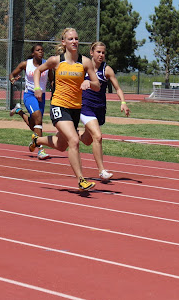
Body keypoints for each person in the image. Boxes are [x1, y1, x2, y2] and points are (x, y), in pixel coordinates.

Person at [28, 28, 101, 191]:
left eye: (76, 38)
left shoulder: (85, 62)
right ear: (64, 42)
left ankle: (37, 140)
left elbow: (97, 85)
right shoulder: (56, 61)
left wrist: (89, 83)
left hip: (75, 109)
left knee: (61, 145)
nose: (74, 41)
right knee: (74, 140)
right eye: (70, 39)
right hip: (59, 105)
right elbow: (38, 71)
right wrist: (37, 87)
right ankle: (81, 180)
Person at [79, 41, 130, 181]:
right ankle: (102, 171)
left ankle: (71, 135)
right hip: (85, 106)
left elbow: (118, 88)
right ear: (91, 53)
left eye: (103, 52)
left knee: (87, 140)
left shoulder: (106, 70)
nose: (101, 55)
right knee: (98, 136)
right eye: (98, 52)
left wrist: (123, 103)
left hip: (99, 108)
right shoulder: (83, 68)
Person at [9, 43, 53, 160]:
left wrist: (54, 87)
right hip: (29, 95)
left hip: (41, 96)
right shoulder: (26, 64)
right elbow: (12, 74)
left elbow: (52, 80)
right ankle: (41, 149)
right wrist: (13, 79)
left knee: (35, 124)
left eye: (42, 50)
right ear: (33, 53)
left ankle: (19, 111)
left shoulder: (47, 64)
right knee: (38, 118)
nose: (41, 52)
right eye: (38, 50)